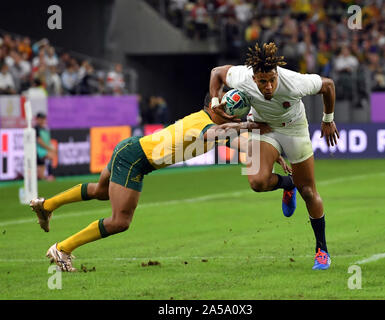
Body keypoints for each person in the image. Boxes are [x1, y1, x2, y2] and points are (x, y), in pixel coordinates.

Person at [30, 92, 292, 272]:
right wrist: (249, 126)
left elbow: (239, 143)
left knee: (100, 191)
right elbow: (221, 132)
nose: (232, 116)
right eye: (232, 113)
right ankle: (62, 249)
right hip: (135, 159)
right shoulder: (204, 123)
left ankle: (47, 205)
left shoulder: (213, 122)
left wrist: (270, 154)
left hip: (131, 148)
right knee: (120, 221)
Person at [209, 42, 339, 270]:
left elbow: (328, 85)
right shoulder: (242, 77)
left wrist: (328, 119)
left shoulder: (294, 82)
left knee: (309, 191)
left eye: (272, 80)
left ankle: (322, 250)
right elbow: (216, 73)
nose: (268, 86)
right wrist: (214, 101)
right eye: (262, 81)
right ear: (254, 78)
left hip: (294, 129)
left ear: (277, 74)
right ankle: (288, 184)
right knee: (257, 182)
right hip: (264, 128)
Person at [34, 113, 56, 181]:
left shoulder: (45, 128)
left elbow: (47, 140)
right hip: (38, 151)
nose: (43, 121)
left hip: (43, 150)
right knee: (50, 156)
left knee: (41, 176)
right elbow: (39, 141)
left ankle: (48, 176)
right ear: (37, 119)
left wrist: (50, 148)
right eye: (41, 119)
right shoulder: (36, 128)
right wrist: (49, 149)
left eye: (44, 119)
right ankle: (50, 175)